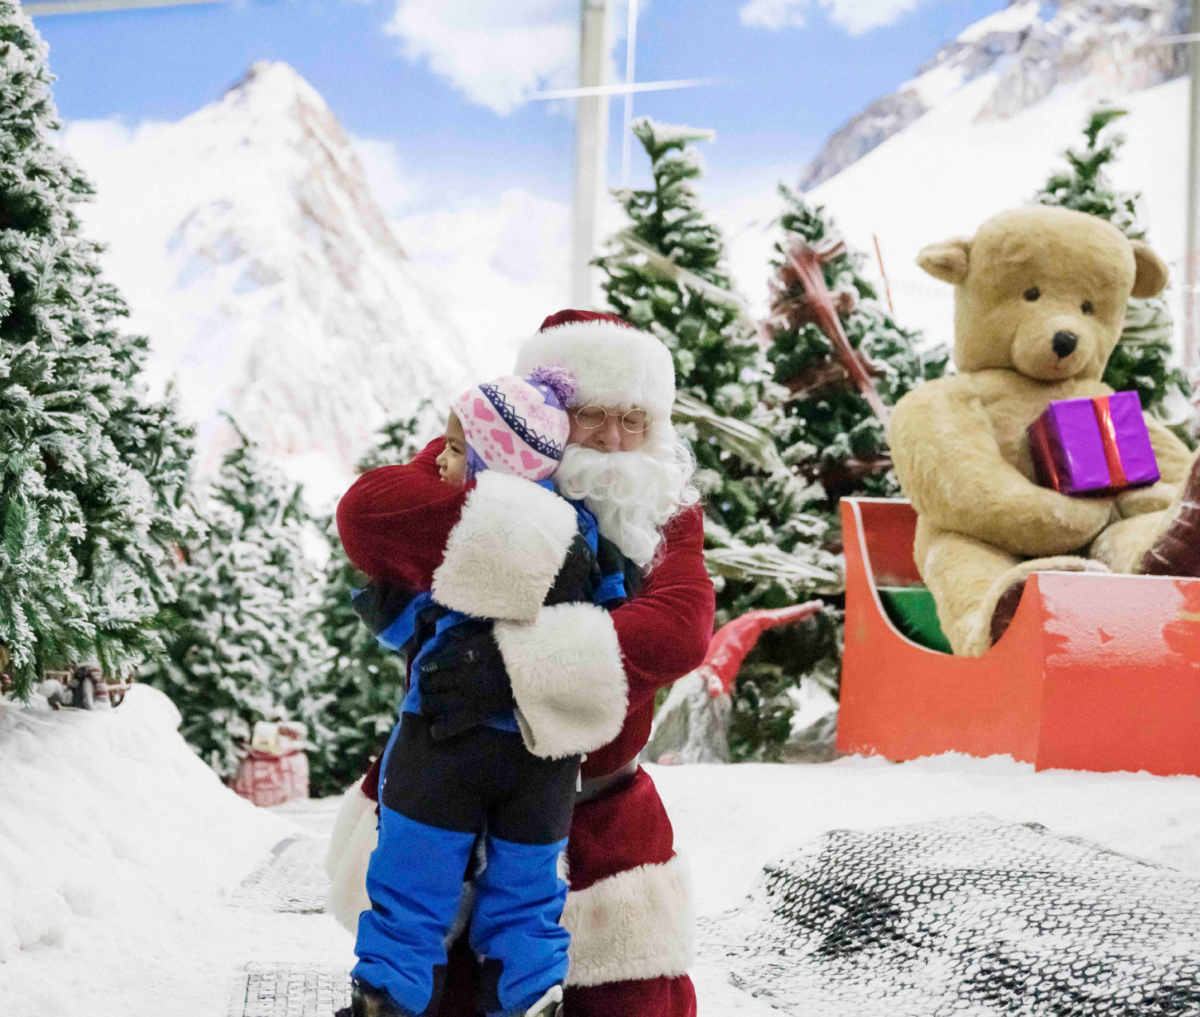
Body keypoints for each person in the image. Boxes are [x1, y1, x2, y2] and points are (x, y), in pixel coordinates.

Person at [329, 309, 716, 1017]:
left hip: (592, 814)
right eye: (592, 415)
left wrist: (511, 667)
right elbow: (367, 516)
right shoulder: (478, 454)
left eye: (636, 419)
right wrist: (531, 526)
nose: (613, 440)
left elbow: (679, 630)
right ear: (545, 413)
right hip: (442, 779)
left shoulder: (665, 513)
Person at [343, 368, 638, 1017]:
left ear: (490, 460)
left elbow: (419, 623)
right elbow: (616, 616)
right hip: (541, 755)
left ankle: (387, 998)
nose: (440, 460)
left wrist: (383, 608)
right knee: (528, 896)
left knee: (411, 886)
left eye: (454, 448)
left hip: (441, 742)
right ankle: (531, 997)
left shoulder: (464, 523)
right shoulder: (583, 530)